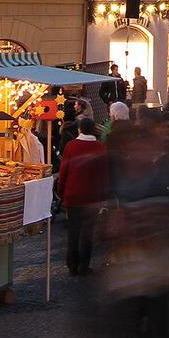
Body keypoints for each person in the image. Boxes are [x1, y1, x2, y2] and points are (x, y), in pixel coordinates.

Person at [56, 117, 108, 276]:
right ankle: (84, 265)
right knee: (87, 232)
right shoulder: (100, 148)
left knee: (73, 231)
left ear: (79, 130)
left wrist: (60, 191)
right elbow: (104, 175)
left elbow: (63, 170)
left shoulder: (71, 146)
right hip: (92, 197)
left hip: (73, 196)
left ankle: (72, 264)